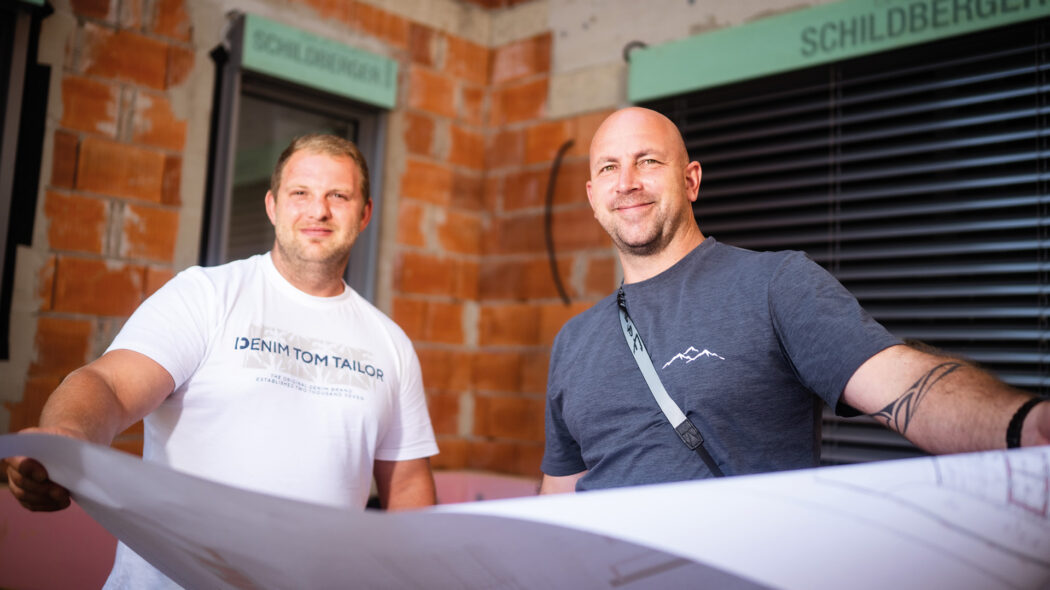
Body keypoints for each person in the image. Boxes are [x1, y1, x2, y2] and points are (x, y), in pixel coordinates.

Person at [540, 107, 1050, 494]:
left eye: (647, 161)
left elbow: (902, 383)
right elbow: (559, 501)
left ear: (691, 180)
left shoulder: (775, 284)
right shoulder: (573, 342)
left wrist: (1027, 427)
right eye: (609, 168)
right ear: (592, 194)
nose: (627, 182)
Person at [4, 134, 439, 586]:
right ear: (272, 206)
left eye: (339, 196)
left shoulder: (390, 344)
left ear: (365, 213)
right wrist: (69, 439)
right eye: (300, 193)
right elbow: (109, 386)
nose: (318, 211)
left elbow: (407, 485)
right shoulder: (206, 296)